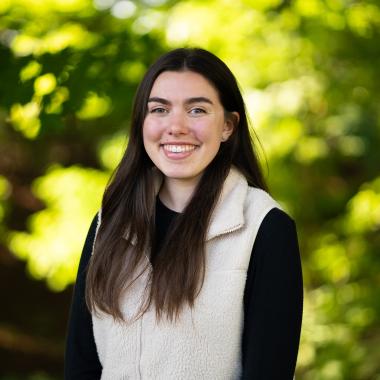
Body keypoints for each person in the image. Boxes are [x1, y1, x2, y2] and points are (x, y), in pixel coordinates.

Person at [64, 47, 303, 380]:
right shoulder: (110, 221)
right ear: (142, 122)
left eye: (197, 110)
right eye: (160, 109)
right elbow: (81, 365)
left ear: (228, 126)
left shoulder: (265, 228)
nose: (175, 126)